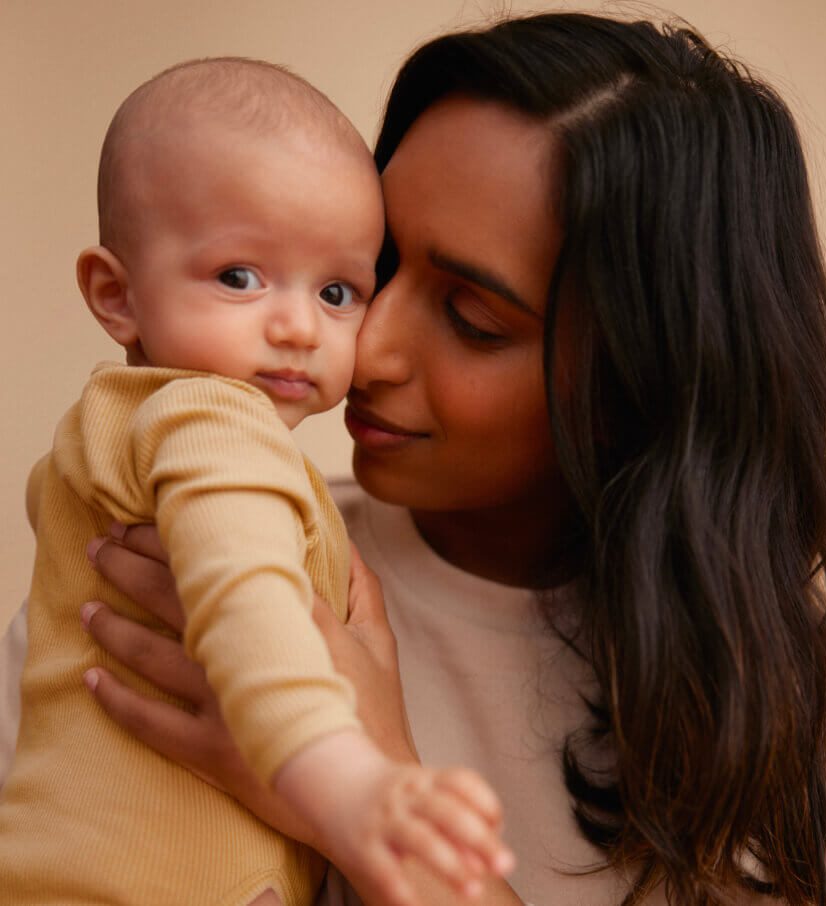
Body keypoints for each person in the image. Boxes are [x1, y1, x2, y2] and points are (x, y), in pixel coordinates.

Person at [2, 10, 826, 906]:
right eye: (378, 270)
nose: (367, 351)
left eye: (470, 318)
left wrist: (372, 804)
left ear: (636, 381)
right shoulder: (163, 569)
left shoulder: (792, 720)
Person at [0, 57, 512, 906]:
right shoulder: (211, 423)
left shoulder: (113, 429)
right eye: (239, 277)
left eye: (339, 291)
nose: (300, 326)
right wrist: (349, 782)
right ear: (115, 295)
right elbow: (248, 603)